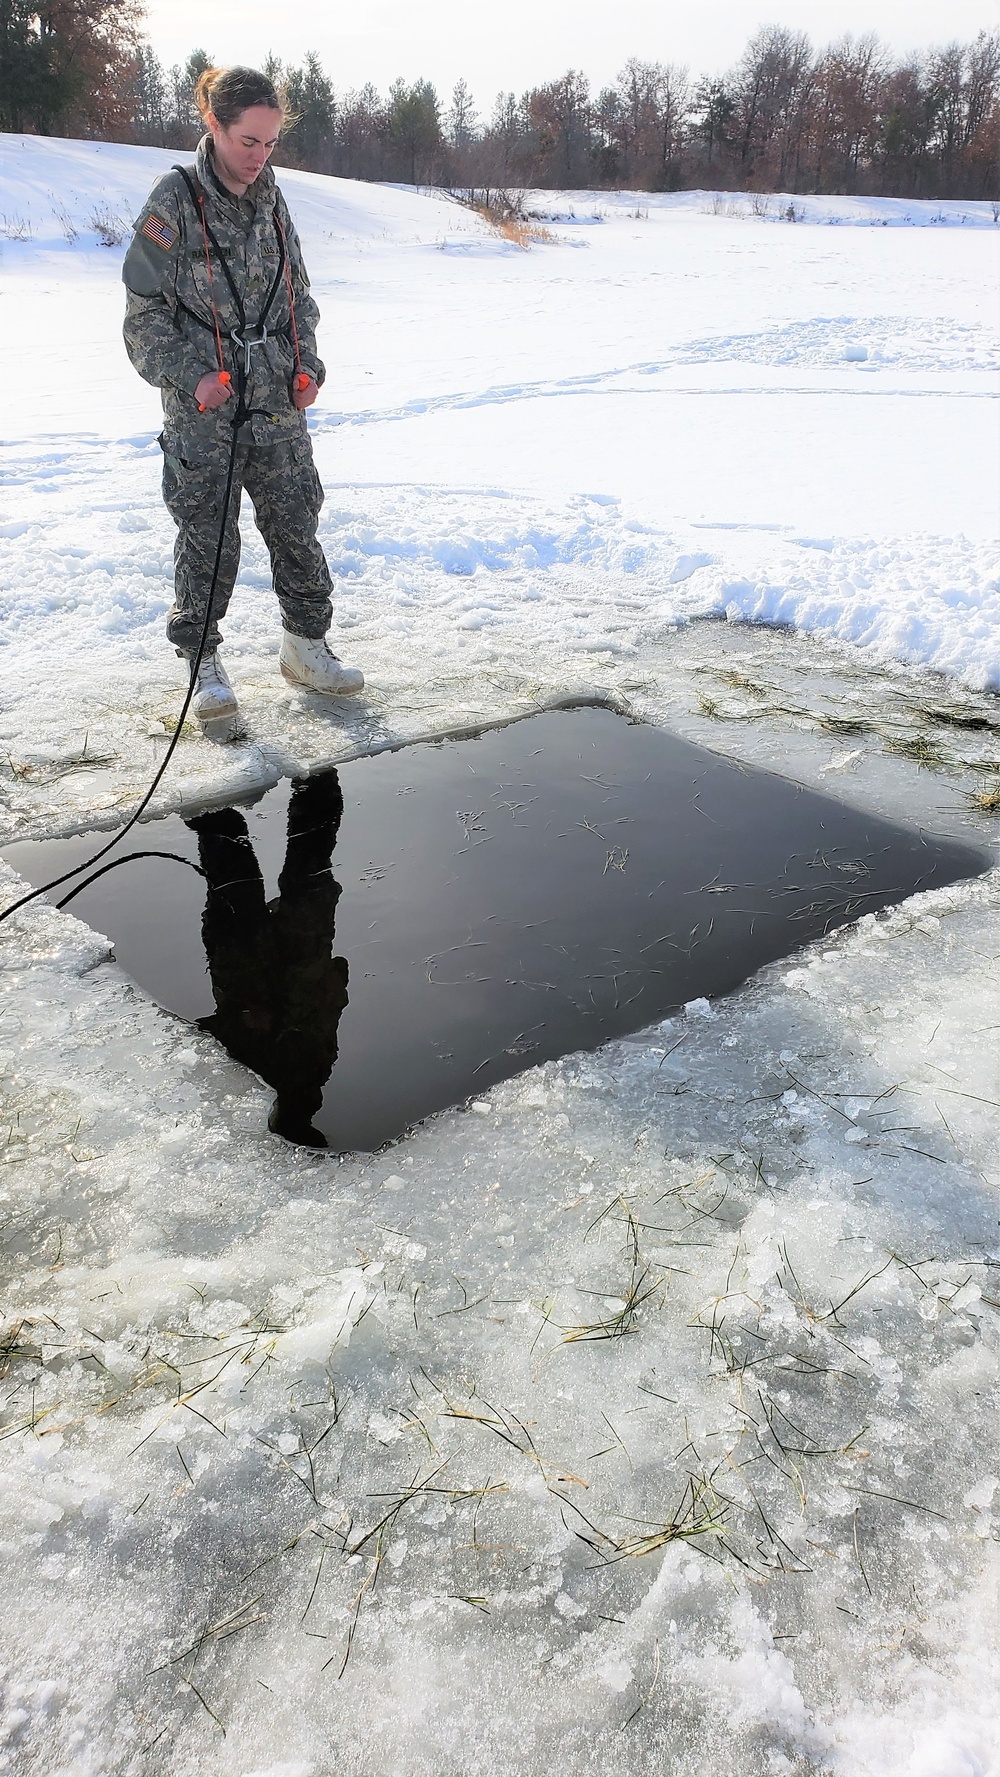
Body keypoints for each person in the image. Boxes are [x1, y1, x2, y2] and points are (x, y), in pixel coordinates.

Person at [122, 65, 363, 742]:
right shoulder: (172, 201)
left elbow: (300, 298)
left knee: (296, 520)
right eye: (248, 141)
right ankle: (205, 664)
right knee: (209, 537)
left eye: (270, 143)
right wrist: (189, 378)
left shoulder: (273, 198)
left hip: (278, 398)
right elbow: (141, 322)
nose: (259, 157)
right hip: (207, 405)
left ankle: (306, 648)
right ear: (214, 126)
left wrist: (308, 365)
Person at [186, 770, 350, 1147]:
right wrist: (332, 985)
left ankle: (215, 807)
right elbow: (328, 1017)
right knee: (310, 873)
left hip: (248, 978)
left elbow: (199, 1038)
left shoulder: (238, 1108)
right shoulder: (314, 1080)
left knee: (235, 884)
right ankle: (317, 783)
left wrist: (241, 1022)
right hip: (302, 967)